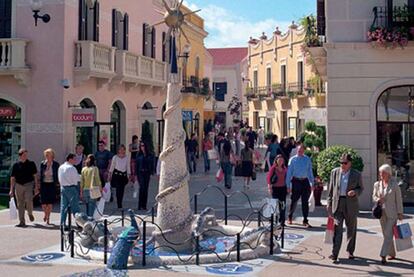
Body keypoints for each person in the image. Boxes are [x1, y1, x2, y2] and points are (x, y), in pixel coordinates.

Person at [327, 153, 364, 263]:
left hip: (351, 204)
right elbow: (331, 189)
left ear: (350, 163)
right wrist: (329, 204)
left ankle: (350, 251)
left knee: (351, 229)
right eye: (341, 162)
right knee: (337, 229)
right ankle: (334, 253)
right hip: (337, 204)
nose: (342, 165)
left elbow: (361, 188)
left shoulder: (356, 174)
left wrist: (355, 192)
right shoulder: (334, 172)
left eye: (345, 163)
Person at [372, 164, 403, 264]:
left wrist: (400, 213)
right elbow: (374, 197)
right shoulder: (377, 184)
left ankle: (383, 255)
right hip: (382, 212)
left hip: (392, 213)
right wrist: (378, 199)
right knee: (387, 235)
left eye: (383, 173)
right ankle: (392, 253)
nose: (381, 174)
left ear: (388, 174)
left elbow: (399, 200)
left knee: (388, 233)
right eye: (380, 172)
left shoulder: (394, 185)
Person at [285, 144, 314, 228]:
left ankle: (305, 220)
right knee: (294, 200)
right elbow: (289, 173)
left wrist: (312, 183)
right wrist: (288, 186)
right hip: (296, 181)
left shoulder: (307, 159)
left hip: (305, 181)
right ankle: (290, 216)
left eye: (301, 150)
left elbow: (310, 172)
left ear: (303, 151)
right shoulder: (292, 160)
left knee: (305, 202)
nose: (299, 151)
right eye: (298, 150)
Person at [9, 148, 39, 227]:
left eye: (26, 154)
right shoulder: (16, 165)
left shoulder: (31, 163)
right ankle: (22, 221)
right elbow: (12, 178)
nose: (26, 156)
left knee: (29, 200)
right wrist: (11, 190)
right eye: (24, 155)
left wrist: (36, 186)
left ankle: (30, 213)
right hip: (18, 185)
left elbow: (35, 176)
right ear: (20, 156)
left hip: (29, 184)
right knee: (20, 204)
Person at [58, 153, 81, 229]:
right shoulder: (72, 168)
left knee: (63, 207)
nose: (75, 161)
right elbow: (76, 179)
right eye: (74, 159)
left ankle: (62, 224)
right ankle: (79, 223)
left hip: (63, 187)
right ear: (70, 159)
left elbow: (59, 178)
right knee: (75, 207)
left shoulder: (61, 167)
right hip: (71, 188)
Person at [39, 148, 59, 225]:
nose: (47, 156)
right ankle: (45, 214)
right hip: (44, 184)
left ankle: (48, 218)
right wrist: (47, 167)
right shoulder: (43, 163)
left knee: (50, 202)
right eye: (46, 155)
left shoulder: (56, 164)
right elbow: (41, 174)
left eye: (49, 155)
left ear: (52, 156)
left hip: (52, 184)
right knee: (43, 203)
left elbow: (57, 174)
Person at [108, 145, 131, 209]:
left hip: (123, 176)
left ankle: (120, 201)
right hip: (117, 175)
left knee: (122, 190)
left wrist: (129, 175)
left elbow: (128, 166)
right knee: (118, 190)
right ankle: (119, 204)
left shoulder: (126, 157)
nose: (122, 151)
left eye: (123, 149)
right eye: (120, 149)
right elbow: (112, 166)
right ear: (118, 150)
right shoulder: (115, 157)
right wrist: (109, 174)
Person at [267, 154, 288, 226]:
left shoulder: (285, 168)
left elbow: (287, 178)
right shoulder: (273, 168)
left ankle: (282, 221)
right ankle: (272, 220)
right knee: (274, 205)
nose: (280, 161)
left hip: (283, 188)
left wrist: (289, 187)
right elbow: (269, 178)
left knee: (282, 205)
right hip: (275, 188)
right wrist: (269, 187)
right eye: (279, 160)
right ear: (276, 160)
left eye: (282, 160)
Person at [136, 141, 154, 210]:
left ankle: (144, 205)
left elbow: (152, 164)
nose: (142, 147)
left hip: (147, 173)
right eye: (141, 146)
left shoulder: (150, 155)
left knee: (146, 189)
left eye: (143, 145)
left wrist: (152, 171)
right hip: (140, 173)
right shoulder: (138, 155)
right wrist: (135, 174)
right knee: (142, 188)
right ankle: (139, 205)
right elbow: (137, 165)